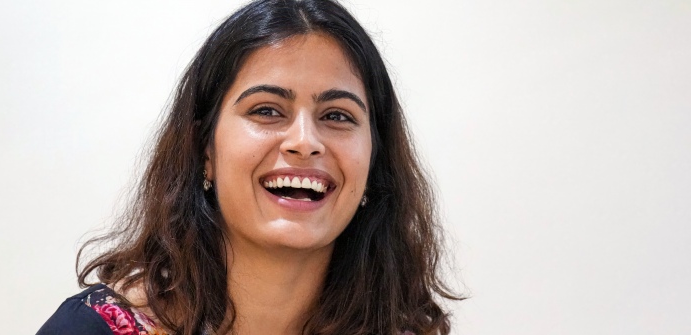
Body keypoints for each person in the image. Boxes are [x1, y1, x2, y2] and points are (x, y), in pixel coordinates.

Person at [38, 0, 459, 334]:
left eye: (337, 116)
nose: (305, 142)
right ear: (205, 150)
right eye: (267, 110)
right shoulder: (90, 330)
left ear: (375, 160)